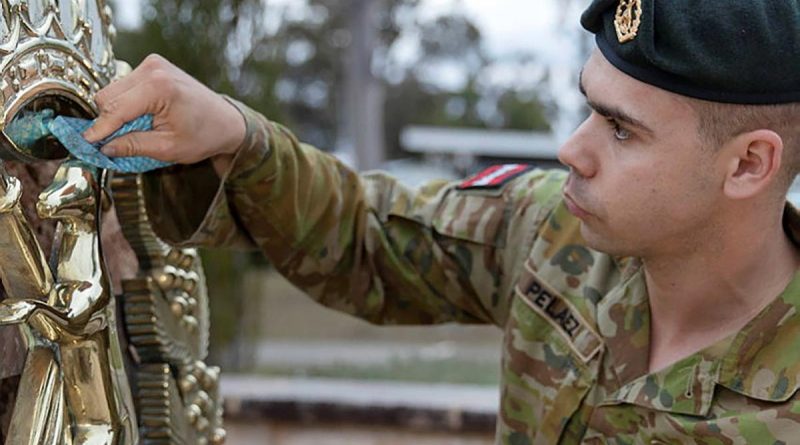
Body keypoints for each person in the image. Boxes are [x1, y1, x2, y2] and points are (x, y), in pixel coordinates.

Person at [83, 0, 800, 443]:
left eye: (621, 130)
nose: (571, 149)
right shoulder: (553, 232)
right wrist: (240, 135)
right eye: (589, 106)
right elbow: (365, 235)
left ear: (748, 164)